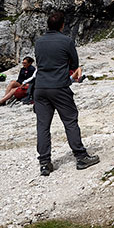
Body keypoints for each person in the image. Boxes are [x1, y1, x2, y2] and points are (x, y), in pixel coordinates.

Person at [34, 10, 99, 177]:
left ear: (47, 25)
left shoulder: (39, 42)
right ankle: (81, 157)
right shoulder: (66, 41)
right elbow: (74, 64)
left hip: (40, 87)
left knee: (43, 126)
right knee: (70, 121)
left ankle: (44, 163)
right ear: (62, 26)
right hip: (60, 86)